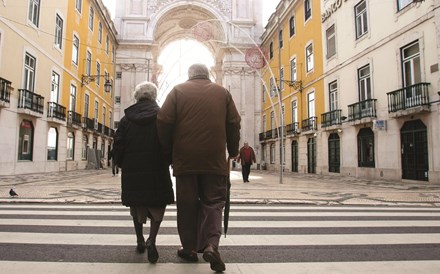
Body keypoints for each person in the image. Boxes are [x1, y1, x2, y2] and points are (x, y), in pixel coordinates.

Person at [157, 63, 241, 272]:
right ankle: (211, 244)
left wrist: (168, 152)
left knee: (187, 204)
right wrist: (232, 150)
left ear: (189, 75)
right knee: (214, 202)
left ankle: (189, 249)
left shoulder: (177, 91)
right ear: (208, 75)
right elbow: (234, 122)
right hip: (214, 160)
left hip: (185, 159)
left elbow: (163, 121)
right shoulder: (223, 93)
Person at [113, 81, 174, 263]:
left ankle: (139, 239)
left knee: (137, 205)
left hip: (133, 169)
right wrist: (169, 160)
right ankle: (151, 240)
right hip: (157, 168)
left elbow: (118, 144)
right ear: (154, 96)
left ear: (137, 97)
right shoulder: (163, 116)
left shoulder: (126, 119)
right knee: (157, 205)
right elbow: (169, 141)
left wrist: (122, 163)